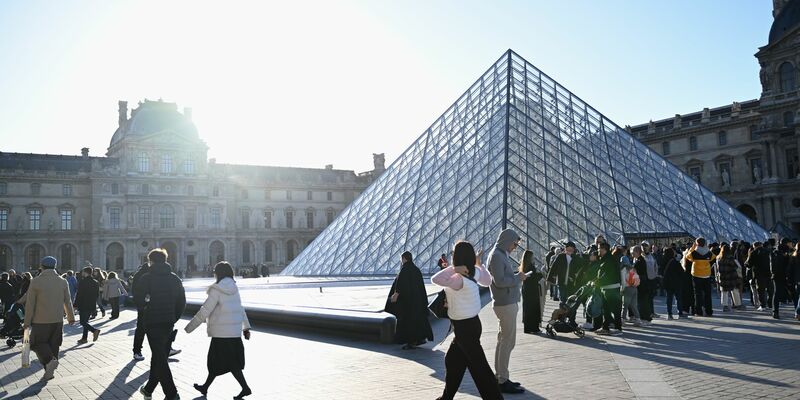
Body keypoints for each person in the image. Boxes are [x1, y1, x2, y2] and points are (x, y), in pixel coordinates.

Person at [432, 241, 504, 400]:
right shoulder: (475, 272)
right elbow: (487, 281)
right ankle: (446, 397)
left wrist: (454, 269)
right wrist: (479, 264)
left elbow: (435, 279)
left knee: (480, 369)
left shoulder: (458, 278)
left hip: (464, 328)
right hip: (472, 325)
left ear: (456, 257)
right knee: (453, 361)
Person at [186, 262, 252, 400]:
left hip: (221, 334)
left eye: (215, 271)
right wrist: (246, 327)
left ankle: (245, 388)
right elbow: (240, 309)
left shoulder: (217, 289)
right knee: (216, 362)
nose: (214, 273)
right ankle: (205, 387)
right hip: (233, 333)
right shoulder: (234, 288)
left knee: (229, 363)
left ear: (219, 273)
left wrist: (190, 327)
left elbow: (205, 310)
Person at [134, 248, 186, 400]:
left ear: (151, 261)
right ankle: (149, 389)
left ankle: (171, 394)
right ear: (165, 260)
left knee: (160, 357)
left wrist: (145, 306)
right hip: (168, 322)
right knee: (158, 356)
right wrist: (173, 317)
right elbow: (182, 302)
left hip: (152, 322)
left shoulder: (146, 278)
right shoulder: (175, 278)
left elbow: (138, 299)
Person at [19, 256, 75, 381]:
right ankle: (49, 372)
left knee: (35, 343)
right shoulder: (62, 281)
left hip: (40, 320)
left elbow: (30, 304)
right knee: (53, 345)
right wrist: (71, 317)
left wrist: (27, 322)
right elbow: (68, 301)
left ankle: (50, 363)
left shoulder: (36, 281)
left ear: (42, 267)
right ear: (55, 267)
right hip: (58, 320)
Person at [488, 228, 527, 395]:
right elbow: (500, 281)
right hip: (505, 304)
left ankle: (500, 377)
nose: (515, 247)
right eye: (514, 244)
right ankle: (502, 380)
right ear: (506, 240)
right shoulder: (497, 256)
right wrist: (518, 278)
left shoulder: (499, 253)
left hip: (505, 302)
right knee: (507, 342)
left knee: (503, 341)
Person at [384, 251, 433, 349]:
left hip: (407, 303)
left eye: (401, 259)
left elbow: (399, 286)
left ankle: (410, 342)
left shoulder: (404, 270)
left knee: (408, 323)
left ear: (404, 259)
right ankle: (420, 339)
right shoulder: (416, 270)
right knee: (418, 321)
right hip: (418, 303)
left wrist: (394, 297)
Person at [596, 243, 622, 335]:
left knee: (615, 309)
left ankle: (618, 329)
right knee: (606, 309)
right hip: (607, 288)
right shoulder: (606, 259)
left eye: (599, 249)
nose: (598, 250)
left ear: (604, 249)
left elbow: (607, 275)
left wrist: (597, 282)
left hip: (611, 288)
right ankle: (605, 327)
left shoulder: (609, 260)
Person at [687, 238, 714, 317]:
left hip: (697, 274)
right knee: (708, 294)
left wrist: (693, 247)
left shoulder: (694, 253)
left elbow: (688, 256)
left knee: (698, 294)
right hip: (706, 274)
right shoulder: (709, 253)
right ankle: (709, 311)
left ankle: (698, 311)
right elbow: (713, 257)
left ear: (696, 243)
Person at [519, 250, 544, 334]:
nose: (534, 258)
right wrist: (540, 275)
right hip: (532, 290)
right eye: (532, 256)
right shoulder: (531, 266)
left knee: (527, 308)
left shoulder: (523, 266)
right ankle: (534, 327)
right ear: (530, 257)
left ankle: (528, 328)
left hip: (526, 289)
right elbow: (534, 278)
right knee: (534, 308)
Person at [74, 267, 101, 344]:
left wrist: (75, 304)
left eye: (83, 272)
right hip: (91, 304)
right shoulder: (95, 282)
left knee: (82, 322)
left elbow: (79, 295)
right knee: (85, 321)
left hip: (83, 304)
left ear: (85, 272)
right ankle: (84, 338)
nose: (82, 273)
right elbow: (97, 294)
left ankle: (94, 330)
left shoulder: (83, 282)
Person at [131, 261, 150, 361]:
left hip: (148, 306)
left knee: (142, 329)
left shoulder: (151, 273)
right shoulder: (142, 275)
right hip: (144, 306)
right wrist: (141, 304)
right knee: (141, 329)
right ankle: (137, 351)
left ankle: (137, 351)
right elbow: (135, 291)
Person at [716, 243, 743, 312]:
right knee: (734, 290)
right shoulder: (730, 257)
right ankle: (738, 304)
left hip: (723, 277)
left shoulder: (718, 258)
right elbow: (735, 266)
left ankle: (725, 306)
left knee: (724, 292)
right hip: (731, 276)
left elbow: (718, 268)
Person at [746, 242, 772, 311]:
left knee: (761, 290)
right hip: (769, 273)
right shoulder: (768, 251)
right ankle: (770, 304)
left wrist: (746, 263)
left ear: (755, 246)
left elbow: (749, 264)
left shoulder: (753, 252)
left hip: (758, 274)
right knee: (770, 289)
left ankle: (763, 305)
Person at [662, 247, 685, 319]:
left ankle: (669, 313)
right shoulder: (675, 262)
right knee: (678, 298)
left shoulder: (663, 261)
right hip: (676, 283)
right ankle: (680, 312)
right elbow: (681, 272)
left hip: (668, 283)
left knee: (669, 299)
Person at [620, 249, 641, 326]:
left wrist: (622, 289)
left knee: (625, 305)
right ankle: (638, 319)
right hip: (635, 288)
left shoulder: (623, 270)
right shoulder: (632, 268)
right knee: (633, 305)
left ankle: (623, 320)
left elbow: (623, 281)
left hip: (627, 288)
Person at [632, 246, 652, 322]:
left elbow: (636, 271)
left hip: (641, 283)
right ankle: (645, 316)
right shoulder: (640, 260)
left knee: (642, 301)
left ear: (637, 252)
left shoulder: (640, 261)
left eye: (633, 252)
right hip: (643, 282)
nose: (632, 253)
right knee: (643, 300)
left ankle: (645, 317)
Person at [642, 242, 660, 319]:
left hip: (652, 278)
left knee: (651, 296)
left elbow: (655, 265)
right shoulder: (641, 256)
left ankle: (651, 312)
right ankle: (649, 312)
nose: (645, 248)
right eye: (643, 246)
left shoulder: (651, 255)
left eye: (646, 246)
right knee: (647, 297)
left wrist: (656, 274)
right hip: (646, 279)